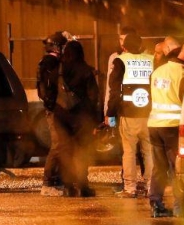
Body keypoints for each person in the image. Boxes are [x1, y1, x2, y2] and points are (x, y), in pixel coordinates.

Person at [37, 31, 96, 197]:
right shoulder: (52, 63)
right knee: (65, 147)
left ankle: (67, 183)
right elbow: (93, 96)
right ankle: (51, 182)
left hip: (60, 113)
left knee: (65, 149)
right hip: (69, 114)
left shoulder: (59, 65)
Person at [148, 40, 184, 217]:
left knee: (159, 167)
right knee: (178, 167)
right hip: (173, 126)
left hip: (154, 124)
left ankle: (155, 203)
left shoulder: (158, 71)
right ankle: (179, 207)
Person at [105, 32, 154, 198]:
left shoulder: (120, 61)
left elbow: (114, 90)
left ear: (124, 46)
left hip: (128, 113)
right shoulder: (151, 60)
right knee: (149, 152)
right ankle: (151, 186)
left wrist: (110, 113)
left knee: (129, 152)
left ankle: (130, 188)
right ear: (141, 45)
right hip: (149, 114)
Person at [60, 40, 100, 196]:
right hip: (82, 117)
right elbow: (93, 95)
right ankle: (83, 186)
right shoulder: (85, 70)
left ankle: (68, 186)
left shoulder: (61, 70)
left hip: (62, 116)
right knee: (83, 152)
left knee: (66, 152)